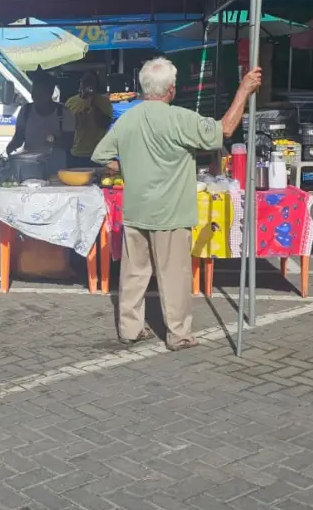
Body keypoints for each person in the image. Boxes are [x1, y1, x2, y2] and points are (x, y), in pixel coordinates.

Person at [91, 59, 262, 351]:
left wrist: (128, 168)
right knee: (174, 275)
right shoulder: (181, 118)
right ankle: (178, 334)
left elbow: (100, 155)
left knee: (134, 272)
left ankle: (130, 329)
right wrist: (243, 90)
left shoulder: (127, 119)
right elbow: (225, 129)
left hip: (136, 208)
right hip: (170, 211)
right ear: (171, 89)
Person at [6, 71, 75, 174]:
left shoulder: (64, 113)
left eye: (40, 93)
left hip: (56, 168)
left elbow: (68, 144)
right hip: (30, 167)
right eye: (34, 92)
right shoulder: (26, 110)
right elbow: (18, 138)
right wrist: (9, 150)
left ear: (50, 93)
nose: (36, 96)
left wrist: (53, 139)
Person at [65, 71, 112, 168]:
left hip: (97, 153)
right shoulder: (71, 102)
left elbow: (104, 124)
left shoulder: (104, 101)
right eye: (84, 84)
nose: (87, 88)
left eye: (90, 84)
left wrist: (93, 102)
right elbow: (67, 127)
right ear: (80, 85)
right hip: (76, 153)